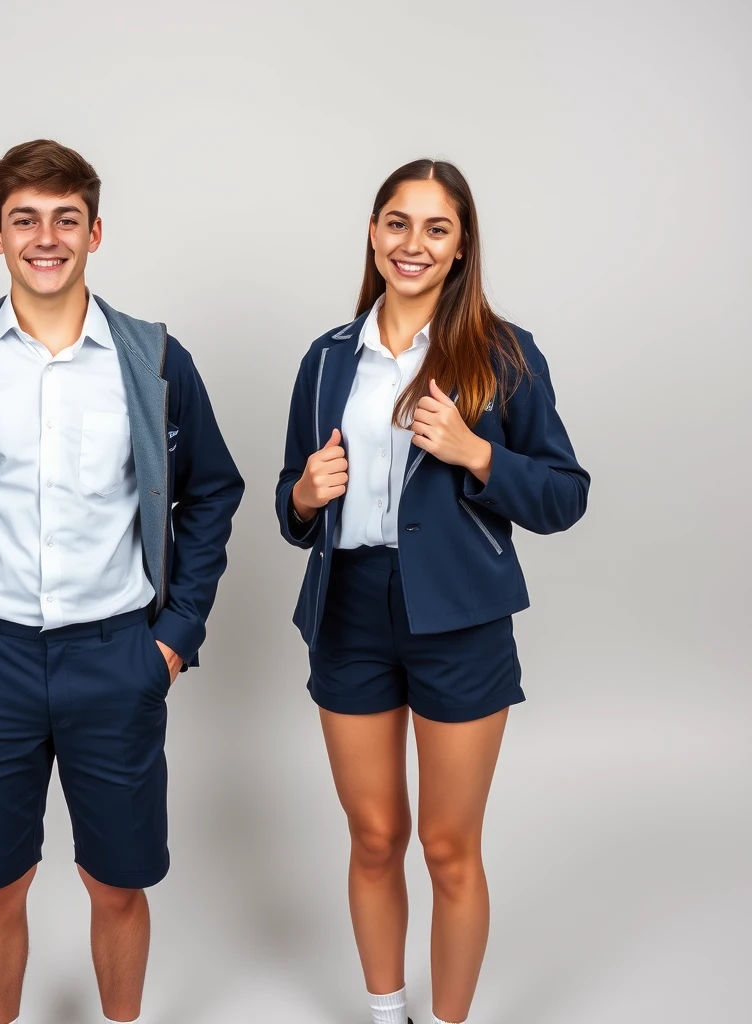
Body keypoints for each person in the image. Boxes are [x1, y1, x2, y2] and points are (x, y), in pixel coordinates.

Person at [0, 139, 244, 1024]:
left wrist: (174, 638)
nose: (47, 238)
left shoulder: (153, 361)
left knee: (116, 884)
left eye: (65, 219)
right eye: (26, 220)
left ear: (96, 231)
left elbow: (214, 491)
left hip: (117, 657)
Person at [275, 160, 589, 1024]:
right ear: (374, 235)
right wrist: (304, 495)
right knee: (375, 837)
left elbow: (565, 495)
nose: (413, 244)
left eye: (436, 228)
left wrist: (475, 452)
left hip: (458, 617)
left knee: (449, 848)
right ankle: (387, 1013)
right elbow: (291, 505)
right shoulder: (328, 358)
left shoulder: (503, 355)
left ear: (460, 248)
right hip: (348, 610)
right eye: (397, 223)